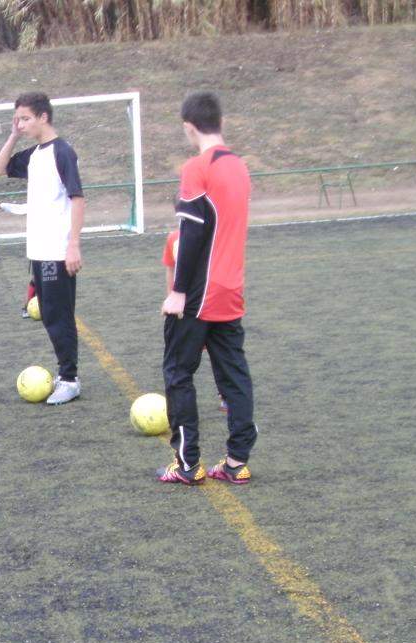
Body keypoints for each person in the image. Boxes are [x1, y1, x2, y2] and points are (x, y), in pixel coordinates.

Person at [158, 92, 257, 486]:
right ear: (222, 122)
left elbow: (193, 233)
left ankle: (187, 465)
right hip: (232, 289)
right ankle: (237, 462)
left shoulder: (197, 168)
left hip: (199, 292)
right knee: (234, 376)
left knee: (178, 374)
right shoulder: (240, 167)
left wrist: (178, 291)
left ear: (188, 127)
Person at [0, 91, 85, 404]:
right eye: (18, 118)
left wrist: (73, 245)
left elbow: (77, 198)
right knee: (48, 313)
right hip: (39, 250)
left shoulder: (63, 152)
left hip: (58, 251)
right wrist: (13, 136)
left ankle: (70, 379)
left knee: (59, 315)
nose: (21, 123)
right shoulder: (34, 155)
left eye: (26, 118)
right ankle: (65, 372)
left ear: (44, 117)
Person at [163, 226, 227, 414]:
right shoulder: (176, 238)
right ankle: (225, 397)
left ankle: (180, 409)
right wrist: (171, 298)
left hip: (197, 307)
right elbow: (171, 269)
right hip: (198, 306)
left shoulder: (179, 238)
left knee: (180, 362)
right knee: (217, 354)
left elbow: (171, 270)